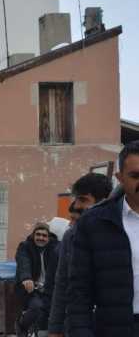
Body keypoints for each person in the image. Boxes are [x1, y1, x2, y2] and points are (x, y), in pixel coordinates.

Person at [68, 141, 139, 336]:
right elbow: (79, 291)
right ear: (120, 178)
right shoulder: (94, 223)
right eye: (135, 176)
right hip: (115, 328)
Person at [48, 173, 112, 337]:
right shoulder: (71, 237)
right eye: (76, 200)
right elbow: (62, 284)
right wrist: (55, 329)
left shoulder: (121, 234)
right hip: (77, 325)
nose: (76, 206)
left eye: (83, 200)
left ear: (104, 200)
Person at [15, 222, 59, 336]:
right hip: (31, 289)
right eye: (38, 234)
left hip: (51, 289)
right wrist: (26, 278)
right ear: (33, 235)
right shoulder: (25, 246)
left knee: (54, 311)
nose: (41, 238)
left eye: (44, 235)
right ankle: (22, 325)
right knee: (37, 307)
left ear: (49, 238)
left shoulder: (57, 248)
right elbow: (23, 262)